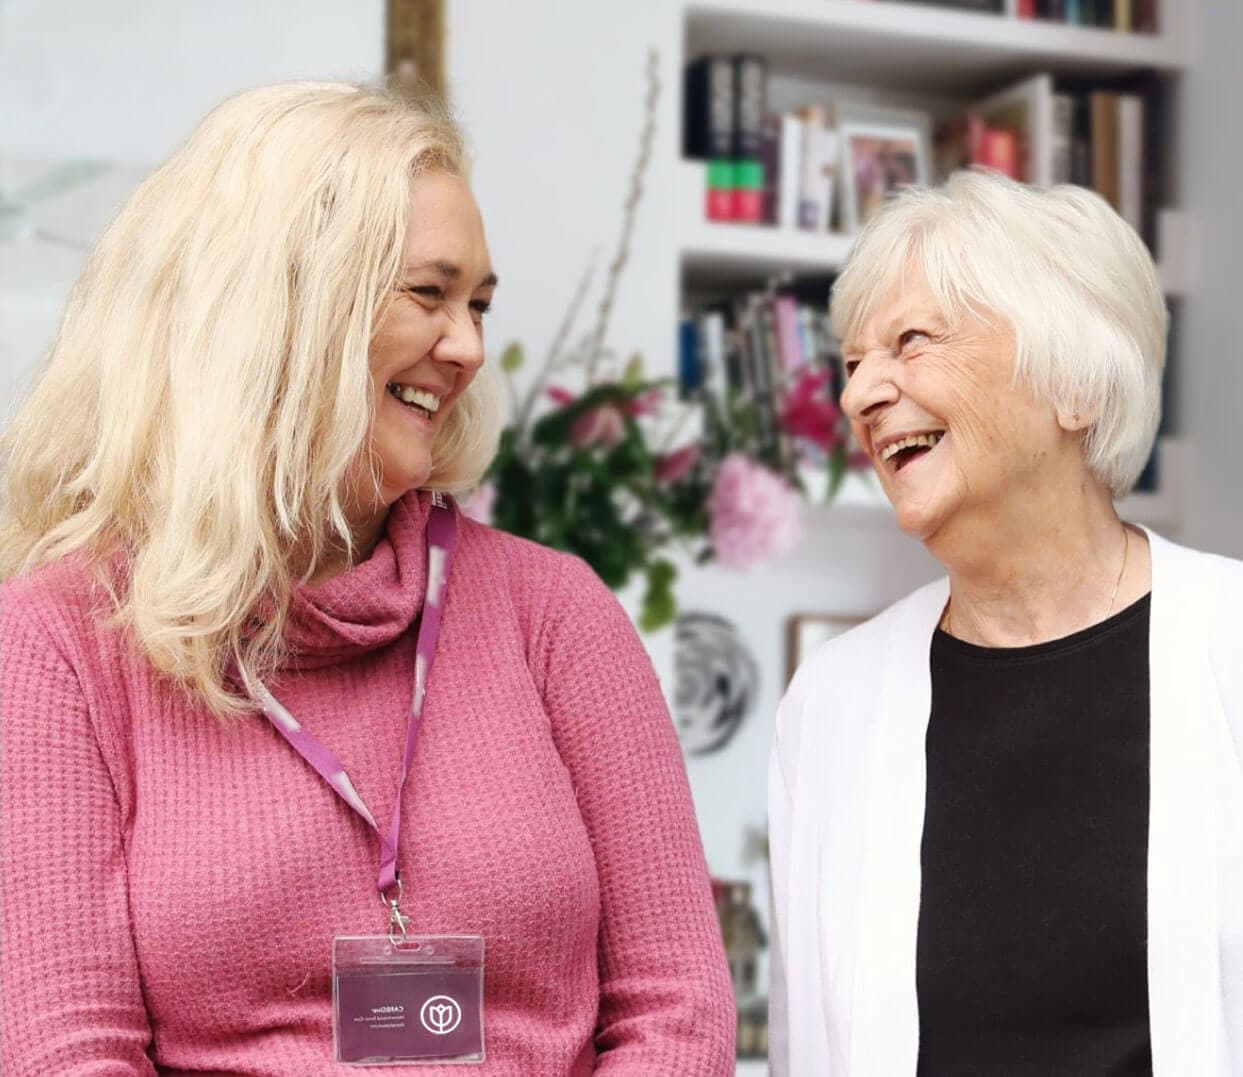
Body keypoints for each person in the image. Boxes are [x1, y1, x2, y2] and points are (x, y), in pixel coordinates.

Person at [0, 82, 735, 1075]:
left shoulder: (554, 614)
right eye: (429, 295)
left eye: (477, 303)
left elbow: (677, 1014)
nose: (469, 348)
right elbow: (66, 1053)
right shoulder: (57, 643)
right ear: (282, 307)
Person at [768, 169, 1243, 1075]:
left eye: (910, 341)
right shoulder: (831, 700)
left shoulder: (1231, 644)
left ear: (1073, 384)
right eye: (853, 361)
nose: (861, 393)